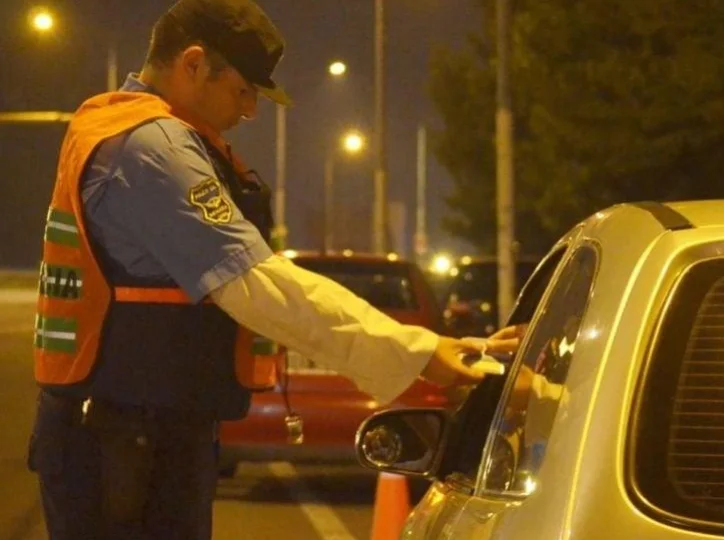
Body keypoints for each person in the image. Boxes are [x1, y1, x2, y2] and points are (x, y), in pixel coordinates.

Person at [26, 1, 487, 538]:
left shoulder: (131, 131)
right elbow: (256, 284)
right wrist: (419, 353)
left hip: (134, 434)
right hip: (124, 448)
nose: (249, 112)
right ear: (193, 64)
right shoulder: (151, 148)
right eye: (243, 91)